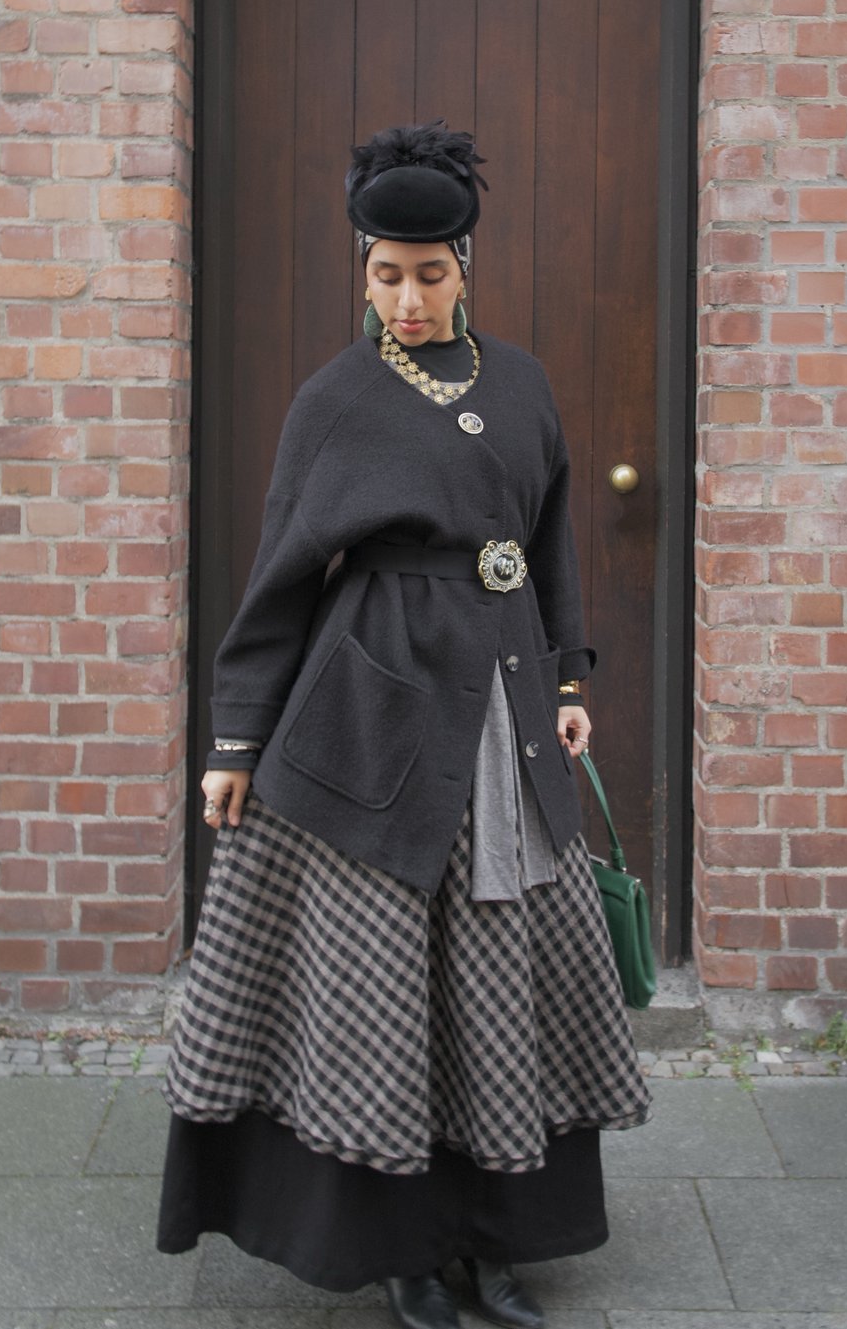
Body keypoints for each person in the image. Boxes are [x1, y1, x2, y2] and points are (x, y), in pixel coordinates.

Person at [157, 122, 651, 1329]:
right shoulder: (333, 403)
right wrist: (234, 742)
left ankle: (493, 1239)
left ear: (465, 263)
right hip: (372, 717)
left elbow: (548, 548)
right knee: (382, 981)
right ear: (362, 271)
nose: (409, 297)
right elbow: (279, 580)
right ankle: (404, 1254)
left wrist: (569, 684)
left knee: (496, 976)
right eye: (386, 274)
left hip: (502, 718)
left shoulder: (522, 383)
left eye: (429, 273)